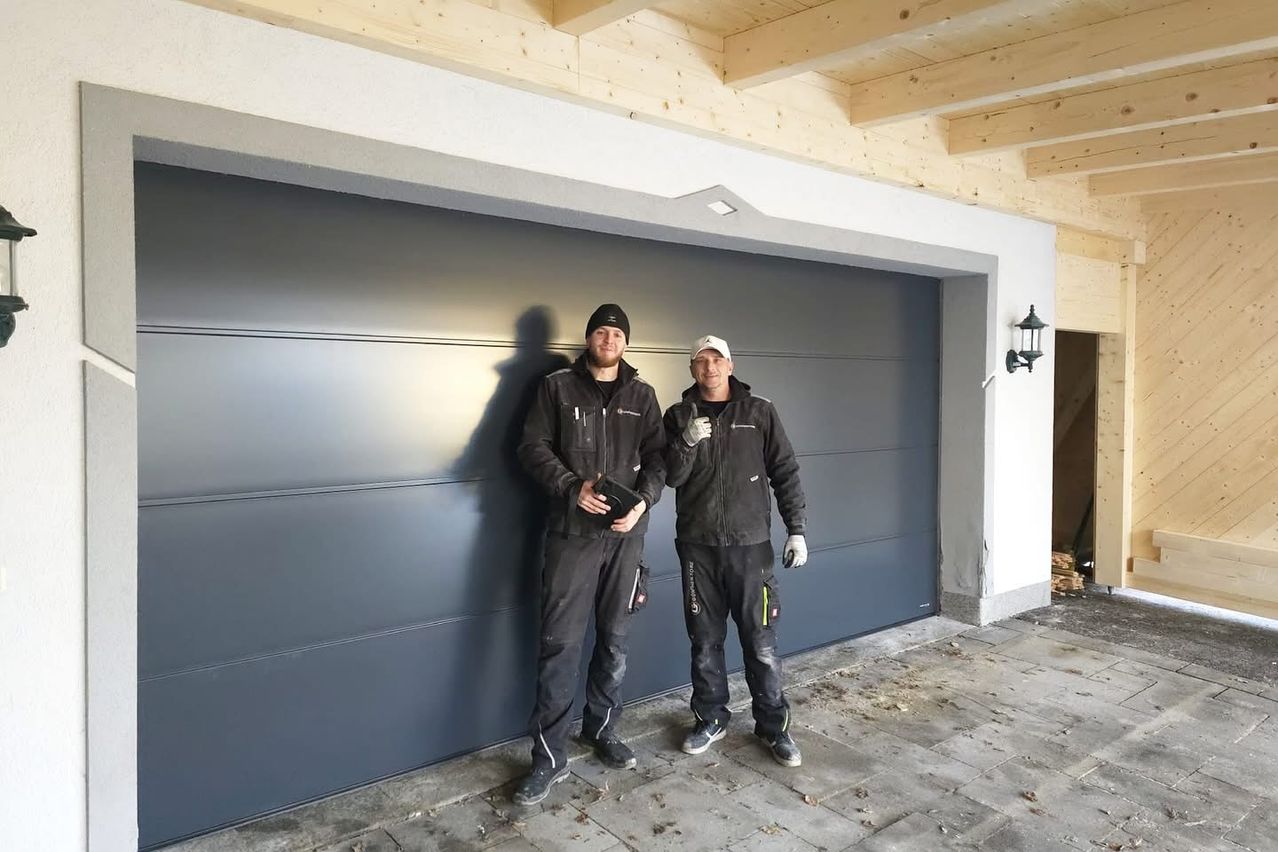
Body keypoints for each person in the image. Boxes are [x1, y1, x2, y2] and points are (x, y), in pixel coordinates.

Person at [513, 303, 666, 804]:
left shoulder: (642, 395)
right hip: (571, 537)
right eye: (601, 332)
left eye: (617, 334)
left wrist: (643, 502)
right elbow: (532, 447)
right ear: (588, 339)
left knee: (615, 640)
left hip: (625, 539)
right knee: (559, 645)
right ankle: (549, 758)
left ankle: (601, 728)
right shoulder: (557, 387)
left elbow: (659, 459)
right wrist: (570, 486)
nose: (609, 340)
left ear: (626, 343)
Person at [663, 334, 808, 767]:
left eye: (717, 360)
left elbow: (785, 470)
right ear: (692, 369)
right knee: (704, 642)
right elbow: (671, 477)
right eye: (701, 361)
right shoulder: (677, 416)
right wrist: (686, 442)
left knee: (761, 645)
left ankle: (773, 727)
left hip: (750, 547)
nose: (709, 367)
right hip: (698, 547)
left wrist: (797, 530)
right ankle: (710, 718)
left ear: (731, 365)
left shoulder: (759, 411)